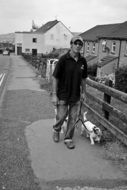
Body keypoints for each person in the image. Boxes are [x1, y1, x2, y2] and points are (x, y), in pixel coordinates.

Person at [51, 36, 87, 149]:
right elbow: (55, 78)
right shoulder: (63, 59)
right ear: (71, 45)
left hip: (75, 95)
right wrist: (54, 94)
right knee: (61, 116)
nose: (78, 45)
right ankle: (56, 130)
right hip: (63, 94)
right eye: (75, 43)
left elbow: (83, 79)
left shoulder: (83, 61)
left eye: (80, 44)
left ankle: (68, 138)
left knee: (73, 118)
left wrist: (84, 93)